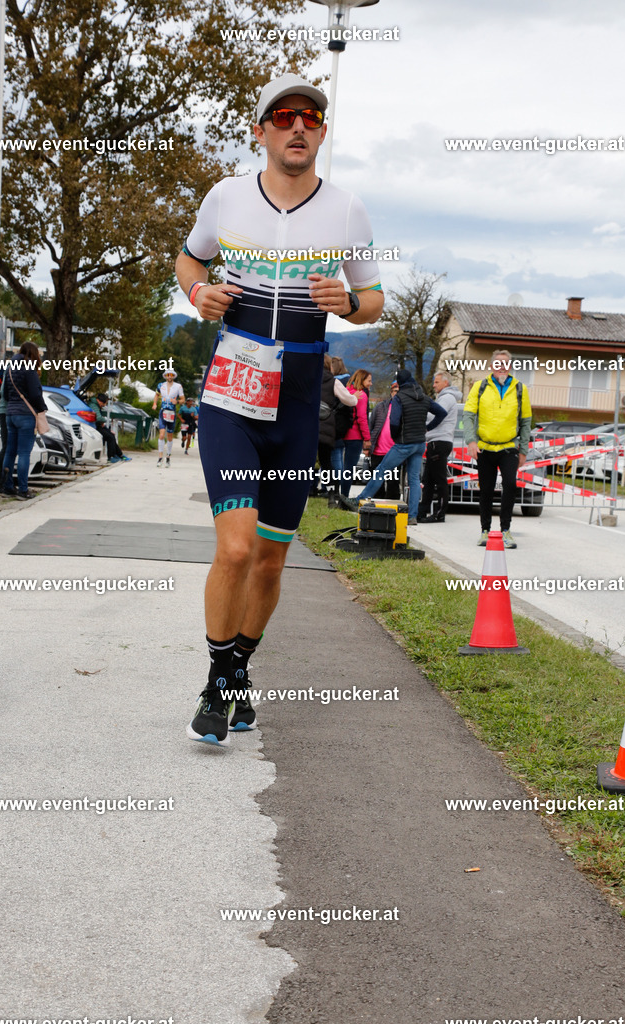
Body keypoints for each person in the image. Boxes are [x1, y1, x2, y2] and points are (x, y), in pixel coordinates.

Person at [174, 72, 384, 745]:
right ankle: (217, 684)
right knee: (235, 548)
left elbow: (374, 300)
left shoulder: (346, 210)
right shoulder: (226, 197)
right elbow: (188, 262)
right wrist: (199, 293)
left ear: (320, 134)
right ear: (262, 130)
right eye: (285, 116)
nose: (299, 126)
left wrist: (348, 303)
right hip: (231, 392)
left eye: (311, 118)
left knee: (269, 558)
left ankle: (237, 670)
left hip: (298, 399)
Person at [353, 369, 447, 524]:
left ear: (400, 383)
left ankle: (359, 500)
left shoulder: (399, 398)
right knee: (414, 479)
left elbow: (394, 421)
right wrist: (427, 428)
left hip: (404, 443)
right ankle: (412, 516)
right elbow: (442, 413)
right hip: (419, 444)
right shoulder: (424, 397)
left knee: (381, 470)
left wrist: (395, 436)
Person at [463, 349, 532, 549]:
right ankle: (485, 530)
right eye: (498, 363)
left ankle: (505, 531)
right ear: (492, 366)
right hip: (485, 448)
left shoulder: (520, 389)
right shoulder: (480, 386)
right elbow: (468, 415)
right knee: (486, 489)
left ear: (510, 367)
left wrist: (523, 450)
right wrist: (471, 441)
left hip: (509, 448)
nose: (502, 367)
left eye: (505, 363)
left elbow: (526, 421)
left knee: (510, 485)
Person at [1, 341, 47, 500]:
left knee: (10, 451)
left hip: (10, 414)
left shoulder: (10, 368)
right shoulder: (29, 369)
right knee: (24, 453)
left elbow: (5, 393)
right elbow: (35, 394)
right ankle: (23, 489)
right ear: (33, 354)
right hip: (26, 415)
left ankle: (7, 486)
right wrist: (41, 408)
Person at [417, 370, 462, 523]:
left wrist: (421, 413)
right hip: (436, 442)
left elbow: (434, 414)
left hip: (439, 442)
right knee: (428, 479)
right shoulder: (444, 397)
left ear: (445, 383)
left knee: (439, 479)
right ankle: (422, 511)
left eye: (436, 382)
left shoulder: (447, 397)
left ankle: (440, 513)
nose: (433, 385)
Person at [317, 355, 358, 495]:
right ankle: (332, 491)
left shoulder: (310, 379)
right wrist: (355, 397)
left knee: (306, 460)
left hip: (309, 426)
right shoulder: (333, 382)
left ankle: (305, 489)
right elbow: (350, 401)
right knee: (326, 461)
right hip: (325, 425)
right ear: (330, 366)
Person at [340, 368, 372, 498]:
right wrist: (367, 438)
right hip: (355, 436)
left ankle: (335, 493)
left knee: (340, 466)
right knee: (349, 468)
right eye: (369, 380)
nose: (370, 383)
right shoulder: (361, 395)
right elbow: (362, 418)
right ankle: (344, 497)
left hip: (342, 433)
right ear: (362, 380)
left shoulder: (346, 391)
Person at [368, 380, 400, 500]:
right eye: (395, 391)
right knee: (377, 483)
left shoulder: (404, 408)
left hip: (394, 452)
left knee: (393, 484)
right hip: (378, 451)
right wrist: (367, 445)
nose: (397, 394)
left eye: (399, 392)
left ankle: (392, 507)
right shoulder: (380, 407)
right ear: (391, 392)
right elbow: (370, 425)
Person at [329, 356, 353, 488]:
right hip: (343, 425)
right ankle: (338, 485)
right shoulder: (349, 382)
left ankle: (333, 486)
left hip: (332, 423)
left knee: (332, 458)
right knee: (338, 456)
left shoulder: (333, 383)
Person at [152, 369, 185, 466]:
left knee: (170, 436)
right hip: (163, 411)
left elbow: (183, 399)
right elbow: (156, 395)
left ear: (174, 376)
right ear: (165, 376)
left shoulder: (178, 386)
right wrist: (154, 404)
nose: (169, 376)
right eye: (167, 375)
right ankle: (160, 458)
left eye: (171, 375)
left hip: (171, 413)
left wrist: (177, 402)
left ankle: (168, 457)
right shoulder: (160, 385)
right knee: (161, 435)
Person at [88, 393, 131, 463]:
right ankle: (111, 457)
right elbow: (98, 418)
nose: (104, 405)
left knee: (112, 435)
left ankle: (119, 455)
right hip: (94, 427)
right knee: (109, 437)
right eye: (104, 403)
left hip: (98, 425)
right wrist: (103, 420)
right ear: (99, 401)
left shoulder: (96, 405)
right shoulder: (94, 406)